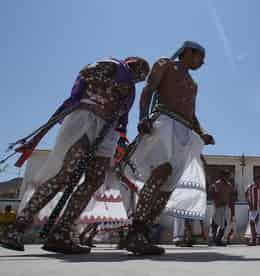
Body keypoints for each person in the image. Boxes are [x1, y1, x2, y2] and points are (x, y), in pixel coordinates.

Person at [1, 57, 149, 254]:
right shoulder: (111, 64)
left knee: (94, 180)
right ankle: (17, 228)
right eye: (141, 71)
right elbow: (86, 73)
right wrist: (113, 85)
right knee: (65, 174)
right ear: (132, 63)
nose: (141, 77)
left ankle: (61, 232)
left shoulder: (130, 89)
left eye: (144, 76)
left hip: (109, 131)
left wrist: (121, 137)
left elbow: (123, 116)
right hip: (85, 117)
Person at [122, 41, 214, 255]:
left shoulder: (193, 84)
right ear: (189, 52)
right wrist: (143, 117)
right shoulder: (165, 64)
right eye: (201, 57)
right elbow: (148, 90)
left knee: (166, 188)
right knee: (159, 173)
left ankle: (143, 233)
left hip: (184, 132)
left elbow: (192, 114)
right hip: (164, 124)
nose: (202, 63)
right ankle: (135, 231)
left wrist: (202, 133)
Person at [209, 169, 235, 246]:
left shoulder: (229, 185)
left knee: (225, 224)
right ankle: (213, 239)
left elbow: (231, 197)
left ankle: (218, 239)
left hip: (226, 207)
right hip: (217, 207)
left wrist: (232, 209)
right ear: (222, 176)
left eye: (228, 176)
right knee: (215, 223)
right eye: (226, 175)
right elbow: (213, 194)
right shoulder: (217, 184)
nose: (227, 177)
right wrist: (217, 202)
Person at [244, 176, 260, 246]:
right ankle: (253, 239)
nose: (259, 181)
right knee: (252, 222)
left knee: (259, 223)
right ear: (254, 180)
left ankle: (259, 239)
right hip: (253, 208)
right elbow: (246, 194)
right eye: (258, 180)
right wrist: (249, 203)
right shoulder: (250, 187)